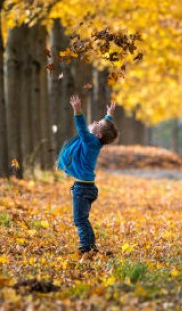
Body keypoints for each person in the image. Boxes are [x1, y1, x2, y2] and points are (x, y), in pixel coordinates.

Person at [57, 95, 118, 256]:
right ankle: (90, 246)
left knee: (80, 220)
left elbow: (82, 128)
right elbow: (104, 129)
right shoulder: (95, 142)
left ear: (97, 135)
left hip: (83, 189)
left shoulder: (90, 141)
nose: (96, 122)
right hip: (86, 187)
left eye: (98, 123)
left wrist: (77, 111)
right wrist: (109, 115)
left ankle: (86, 247)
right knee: (83, 219)